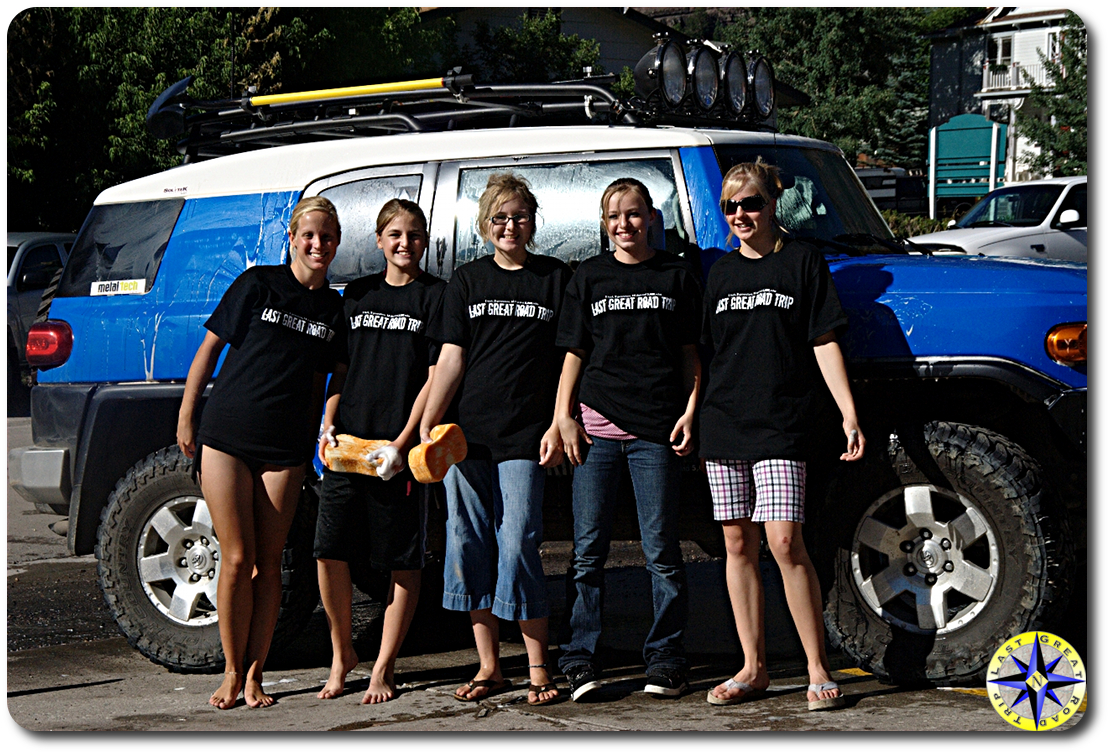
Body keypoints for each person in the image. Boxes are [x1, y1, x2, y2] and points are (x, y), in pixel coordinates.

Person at [699, 161, 865, 710]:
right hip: (723, 426)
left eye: (750, 204)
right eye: (730, 207)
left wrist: (848, 412)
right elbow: (706, 357)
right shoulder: (719, 274)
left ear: (773, 205)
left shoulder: (802, 262)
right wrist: (690, 411)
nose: (741, 215)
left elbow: (823, 340)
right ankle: (753, 668)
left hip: (783, 426)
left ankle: (819, 667)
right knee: (737, 544)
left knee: (785, 542)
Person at [176, 196, 346, 709]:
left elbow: (330, 377)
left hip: (286, 447)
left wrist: (324, 426)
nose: (319, 245)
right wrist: (188, 416)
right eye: (310, 235)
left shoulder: (334, 309)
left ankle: (255, 674)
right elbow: (209, 349)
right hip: (227, 434)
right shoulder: (257, 284)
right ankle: (229, 670)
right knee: (237, 558)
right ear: (291, 238)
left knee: (270, 562)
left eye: (329, 237)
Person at [420, 173, 571, 707]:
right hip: (467, 437)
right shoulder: (466, 281)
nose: (510, 226)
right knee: (466, 541)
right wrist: (429, 424)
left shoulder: (556, 278)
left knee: (521, 538)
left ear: (532, 223)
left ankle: (537, 666)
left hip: (527, 435)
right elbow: (451, 359)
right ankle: (489, 666)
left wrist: (560, 420)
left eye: (520, 217)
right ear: (485, 226)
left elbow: (566, 360)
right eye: (500, 218)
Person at [551, 177, 703, 701]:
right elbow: (573, 352)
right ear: (603, 224)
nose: (625, 224)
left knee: (661, 550)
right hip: (595, 430)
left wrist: (689, 413)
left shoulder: (677, 276)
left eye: (634, 214)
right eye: (614, 215)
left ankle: (665, 659)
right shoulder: (588, 277)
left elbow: (690, 355)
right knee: (587, 552)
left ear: (651, 218)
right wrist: (563, 417)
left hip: (656, 432)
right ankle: (579, 659)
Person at [314, 199, 445, 704]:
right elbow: (340, 371)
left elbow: (433, 377)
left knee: (401, 560)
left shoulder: (435, 296)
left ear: (425, 240)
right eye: (394, 234)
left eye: (414, 235)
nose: (404, 244)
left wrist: (403, 441)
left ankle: (384, 667)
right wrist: (328, 424)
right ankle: (342, 653)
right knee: (329, 550)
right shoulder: (358, 294)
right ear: (378, 239)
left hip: (398, 453)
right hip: (348, 449)